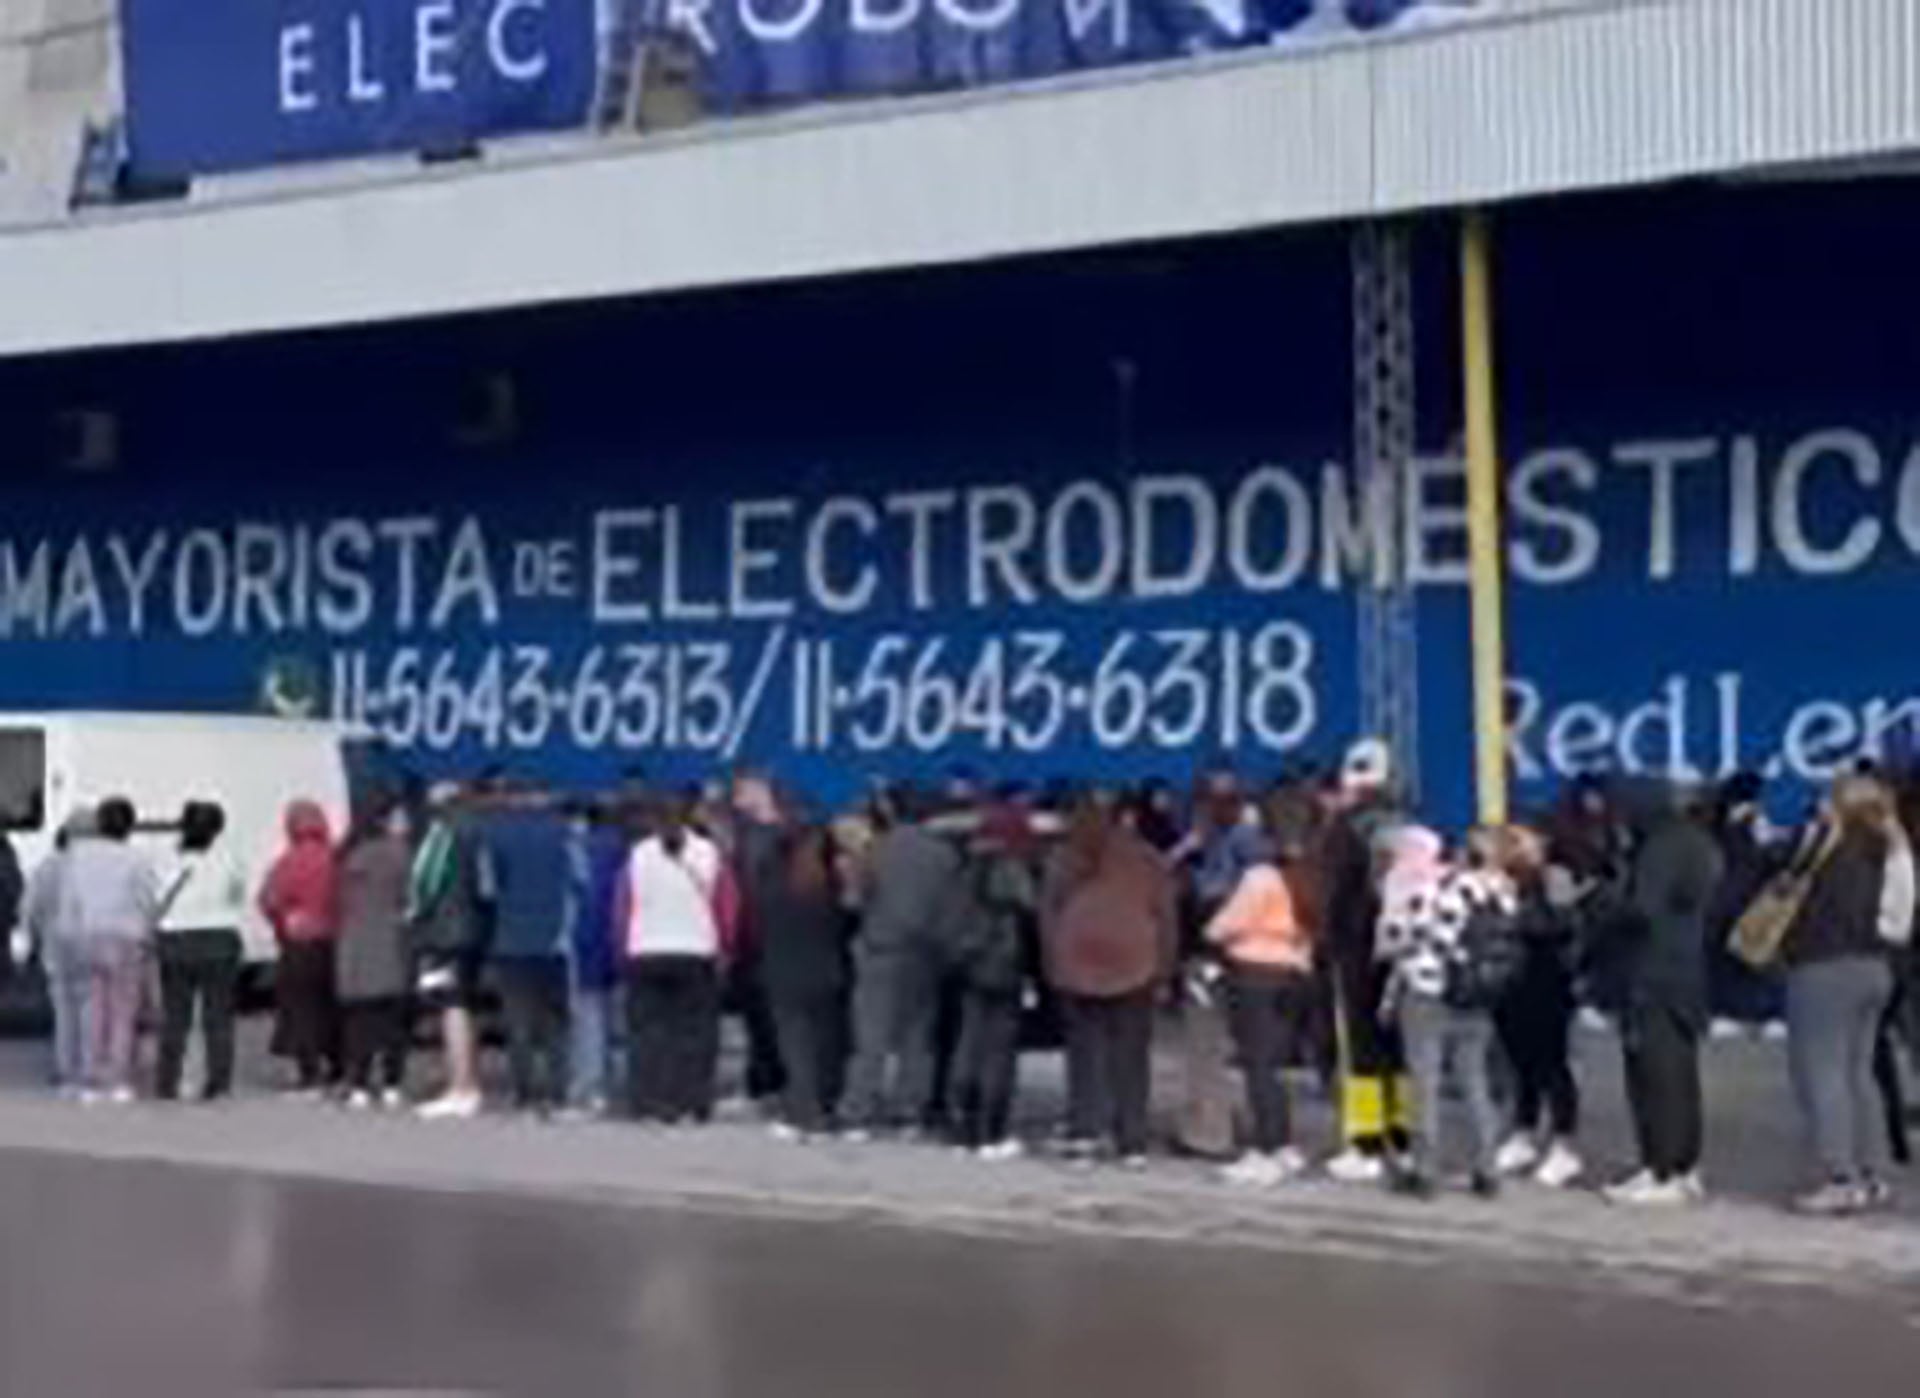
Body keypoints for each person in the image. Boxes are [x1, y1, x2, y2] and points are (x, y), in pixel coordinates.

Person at [1779, 774, 1915, 1214]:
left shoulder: (1828, 845)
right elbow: (1899, 918)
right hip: (1876, 967)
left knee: (1822, 1074)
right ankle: (1872, 1174)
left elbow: (1785, 884)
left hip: (1822, 966)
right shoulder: (1895, 849)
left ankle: (1840, 1175)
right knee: (1859, 1075)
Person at [1601, 779, 1726, 1207]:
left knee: (1652, 1077)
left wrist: (1602, 901)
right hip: (1686, 970)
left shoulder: (1658, 847)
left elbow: (1641, 909)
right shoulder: (1699, 842)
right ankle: (1685, 1167)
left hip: (1650, 973)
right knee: (1681, 1075)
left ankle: (1660, 1168)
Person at [1375, 826, 1512, 1199]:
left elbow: (1408, 935)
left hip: (1429, 993)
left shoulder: (1444, 889)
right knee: (1474, 1081)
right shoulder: (1502, 892)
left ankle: (1425, 1172)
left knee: (1425, 1083)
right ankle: (1488, 1169)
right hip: (1478, 998)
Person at [1041, 795, 1176, 1166]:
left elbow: (1048, 916)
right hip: (1135, 964)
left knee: (1085, 1055)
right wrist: (1165, 970)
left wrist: (1052, 963)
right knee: (1131, 1057)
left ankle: (1086, 1131)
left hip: (1077, 965)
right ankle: (1131, 1139)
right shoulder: (1147, 858)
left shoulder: (1064, 858)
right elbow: (1165, 917)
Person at [1207, 790, 1319, 1187]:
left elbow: (1226, 924)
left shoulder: (1261, 877)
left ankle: (1266, 1149)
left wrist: (1211, 931)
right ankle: (1285, 1144)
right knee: (1276, 1065)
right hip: (1295, 974)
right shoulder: (1310, 876)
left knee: (1257, 1067)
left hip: (1254, 974)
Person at [840, 793, 969, 1137]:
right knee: (917, 1038)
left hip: (881, 949)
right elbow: (954, 906)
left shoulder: (877, 849)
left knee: (871, 1036)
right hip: (926, 953)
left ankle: (859, 1110)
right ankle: (909, 1110)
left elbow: (854, 899)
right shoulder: (945, 855)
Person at [1318, 739, 1413, 1182]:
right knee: (1397, 1043)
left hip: (1357, 947)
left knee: (1360, 1047)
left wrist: (1327, 939)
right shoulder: (1409, 824)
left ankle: (1366, 1143)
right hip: (1400, 948)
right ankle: (1403, 1136)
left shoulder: (1346, 828)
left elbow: (1335, 891)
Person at [618, 800, 739, 1124]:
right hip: (696, 951)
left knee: (648, 1032)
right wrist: (726, 948)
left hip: (645, 950)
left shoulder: (639, 854)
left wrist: (623, 948)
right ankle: (691, 1103)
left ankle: (649, 1102)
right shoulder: (709, 853)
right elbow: (726, 906)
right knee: (695, 1034)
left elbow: (624, 907)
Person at [1492, 824, 1586, 1188]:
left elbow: (1565, 926)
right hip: (1510, 980)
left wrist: (1519, 919)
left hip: (1548, 980)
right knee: (1520, 1063)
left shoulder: (1553, 878)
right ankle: (1523, 1132)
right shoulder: (1497, 880)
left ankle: (1564, 1144)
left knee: (1553, 1064)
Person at [950, 803, 1039, 1159]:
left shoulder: (965, 866)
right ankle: (991, 1130)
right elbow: (1030, 910)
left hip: (969, 963)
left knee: (968, 1044)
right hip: (1003, 964)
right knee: (998, 1051)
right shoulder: (1013, 868)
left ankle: (962, 1127)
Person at [59, 798, 161, 1102]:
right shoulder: (137, 859)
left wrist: (68, 936)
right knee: (122, 1010)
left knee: (91, 1009)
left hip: (85, 936)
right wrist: (148, 932)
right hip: (126, 937)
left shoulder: (76, 856)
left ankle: (89, 1079)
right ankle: (116, 1081)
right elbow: (146, 901)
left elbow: (68, 901)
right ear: (129, 826)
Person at [484, 787, 575, 1116]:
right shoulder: (565, 832)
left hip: (511, 938)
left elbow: (488, 888)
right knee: (556, 1021)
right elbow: (579, 882)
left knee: (518, 1019)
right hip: (555, 939)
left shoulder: (498, 833)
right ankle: (557, 1090)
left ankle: (523, 1092)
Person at [759, 824, 853, 1139]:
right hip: (828, 972)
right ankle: (827, 1105)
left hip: (785, 973)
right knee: (826, 1044)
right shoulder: (831, 888)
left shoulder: (775, 887)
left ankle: (803, 1111)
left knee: (795, 1047)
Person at [410, 783, 495, 1120]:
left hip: (446, 930)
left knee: (452, 1006)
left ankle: (461, 1088)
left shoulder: (443, 834)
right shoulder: (480, 832)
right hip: (473, 929)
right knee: (466, 1005)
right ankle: (468, 1082)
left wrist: (415, 914)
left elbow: (424, 880)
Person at [153, 802, 248, 1103]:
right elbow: (238, 895)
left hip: (176, 939)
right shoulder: (230, 858)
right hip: (220, 937)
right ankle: (218, 1083)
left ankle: (168, 1081)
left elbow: (156, 897)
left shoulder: (168, 859)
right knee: (218, 1016)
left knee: (175, 1016)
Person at [334, 801, 415, 1110]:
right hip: (390, 943)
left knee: (359, 1021)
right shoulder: (399, 855)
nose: (405, 823)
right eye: (399, 817)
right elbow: (410, 899)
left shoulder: (348, 855)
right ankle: (392, 1083)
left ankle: (358, 1084)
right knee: (392, 1021)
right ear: (384, 822)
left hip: (354, 945)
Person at [260, 800, 341, 1095]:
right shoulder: (336, 858)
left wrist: (282, 923)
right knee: (332, 1007)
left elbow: (268, 900)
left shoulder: (288, 862)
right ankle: (338, 1067)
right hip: (335, 944)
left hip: (299, 945)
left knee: (301, 1009)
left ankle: (309, 1073)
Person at [729, 770, 790, 1108]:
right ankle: (763, 1083)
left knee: (768, 1017)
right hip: (753, 940)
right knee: (758, 1016)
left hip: (764, 937)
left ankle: (769, 1084)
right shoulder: (748, 835)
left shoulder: (768, 837)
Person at [564, 799, 629, 1117]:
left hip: (583, 940)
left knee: (589, 1017)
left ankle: (591, 1087)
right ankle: (623, 1085)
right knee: (620, 1019)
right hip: (621, 941)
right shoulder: (622, 851)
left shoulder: (573, 850)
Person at [23, 811, 95, 1093]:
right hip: (93, 944)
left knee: (64, 1011)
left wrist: (32, 934)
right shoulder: (102, 866)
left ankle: (66, 1071)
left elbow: (30, 907)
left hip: (56, 947)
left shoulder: (49, 866)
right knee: (90, 1007)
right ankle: (89, 1069)